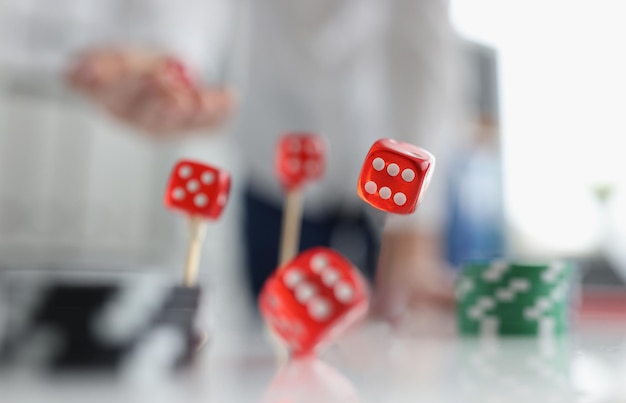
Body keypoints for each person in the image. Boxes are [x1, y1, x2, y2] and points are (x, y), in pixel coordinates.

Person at [30, 0, 461, 320]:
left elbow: (424, 59)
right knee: (279, 325)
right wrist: (174, 62)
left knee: (398, 323)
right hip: (272, 168)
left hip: (385, 171)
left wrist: (414, 235)